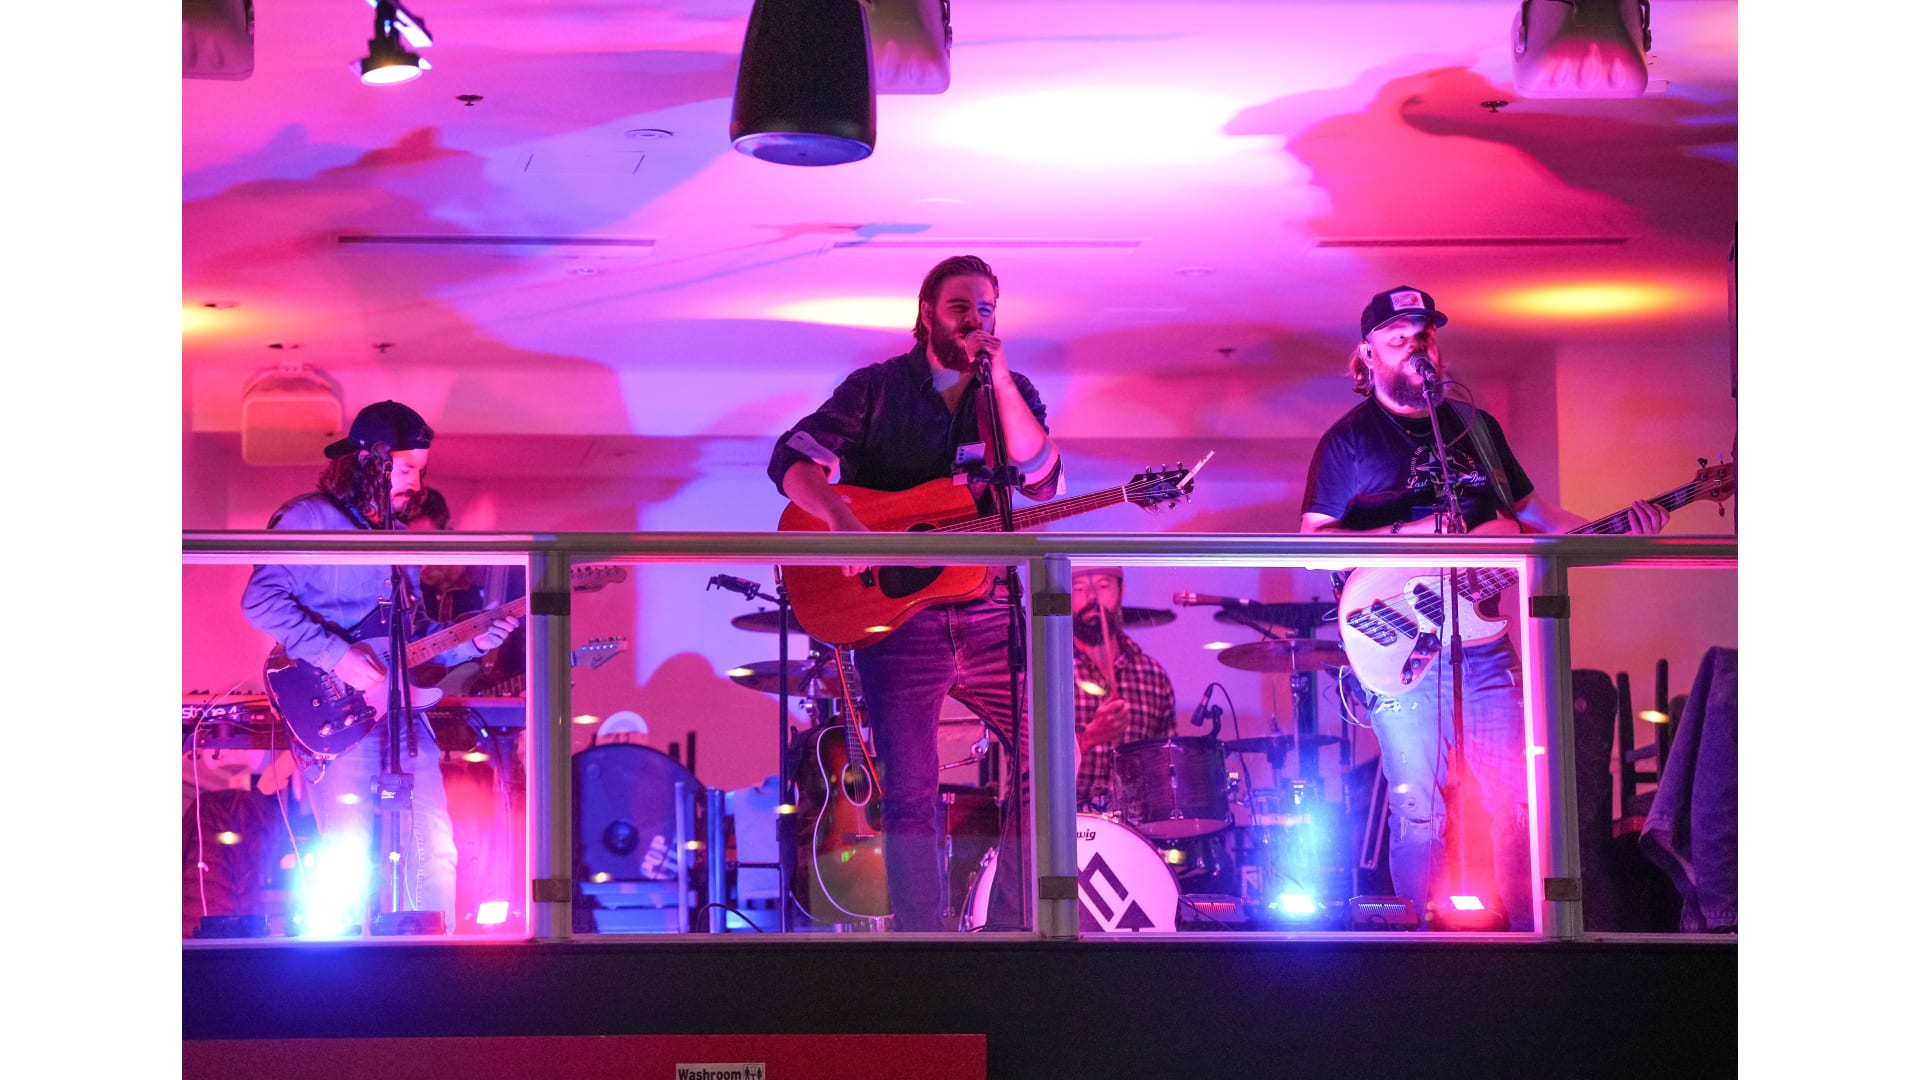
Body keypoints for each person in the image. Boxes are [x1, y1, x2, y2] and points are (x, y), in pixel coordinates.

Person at [1298, 286, 1668, 931]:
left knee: (1521, 799)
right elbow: (1313, 546)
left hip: (1483, 640)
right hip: (1400, 639)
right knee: (1418, 809)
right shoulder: (1348, 441)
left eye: (1424, 336)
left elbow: (1536, 519)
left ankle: (1529, 938)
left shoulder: (1475, 427)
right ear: (1368, 354)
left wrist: (1618, 537)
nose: (1416, 347)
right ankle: (1418, 944)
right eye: (1398, 338)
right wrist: (1408, 535)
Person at [768, 255, 1063, 931]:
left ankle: (1011, 925)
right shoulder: (876, 389)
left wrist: (1001, 380)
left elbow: (1043, 478)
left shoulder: (1008, 393)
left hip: (990, 613)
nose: (974, 320)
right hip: (900, 624)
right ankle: (923, 940)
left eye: (986, 309)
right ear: (927, 313)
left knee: (1050, 755)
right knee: (908, 791)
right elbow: (791, 458)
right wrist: (842, 522)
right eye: (960, 307)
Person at [240, 400, 520, 932]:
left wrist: (472, 642)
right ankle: (344, 970)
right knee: (347, 855)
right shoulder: (308, 519)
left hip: (402, 715)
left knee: (436, 850)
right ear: (370, 460)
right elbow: (261, 601)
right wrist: (337, 655)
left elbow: (412, 641)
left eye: (421, 471)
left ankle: (432, 962)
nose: (417, 483)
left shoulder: (398, 537)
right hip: (337, 713)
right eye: (407, 469)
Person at [1069, 566, 1176, 815]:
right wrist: (1090, 737)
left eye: (1103, 586)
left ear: (1122, 590)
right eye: (1079, 588)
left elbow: (1164, 770)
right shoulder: (1044, 669)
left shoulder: (1152, 676)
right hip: (1059, 827)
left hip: (1131, 830)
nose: (1092, 597)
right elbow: (1027, 763)